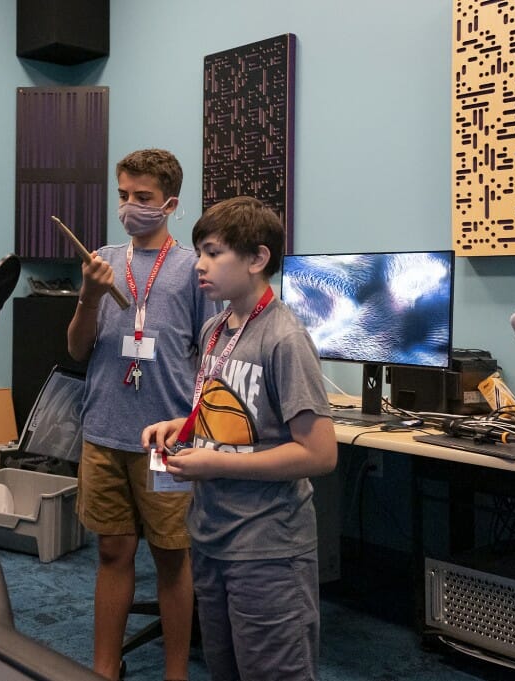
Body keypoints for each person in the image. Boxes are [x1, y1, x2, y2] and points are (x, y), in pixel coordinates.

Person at [141, 196, 337, 681]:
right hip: (210, 535)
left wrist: (217, 465)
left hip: (268, 546)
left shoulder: (284, 337)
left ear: (256, 259)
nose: (200, 266)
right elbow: (226, 417)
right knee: (226, 669)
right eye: (199, 252)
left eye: (212, 253)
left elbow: (319, 453)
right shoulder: (214, 328)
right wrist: (182, 428)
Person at [68, 148, 216, 681]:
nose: (131, 207)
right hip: (104, 430)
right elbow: (78, 348)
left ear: (170, 203)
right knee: (111, 551)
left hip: (168, 440)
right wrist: (88, 295)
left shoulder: (194, 268)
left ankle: (176, 672)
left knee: (173, 559)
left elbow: (212, 358)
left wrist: (199, 427)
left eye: (144, 198)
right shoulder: (104, 259)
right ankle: (105, 667)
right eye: (124, 196)